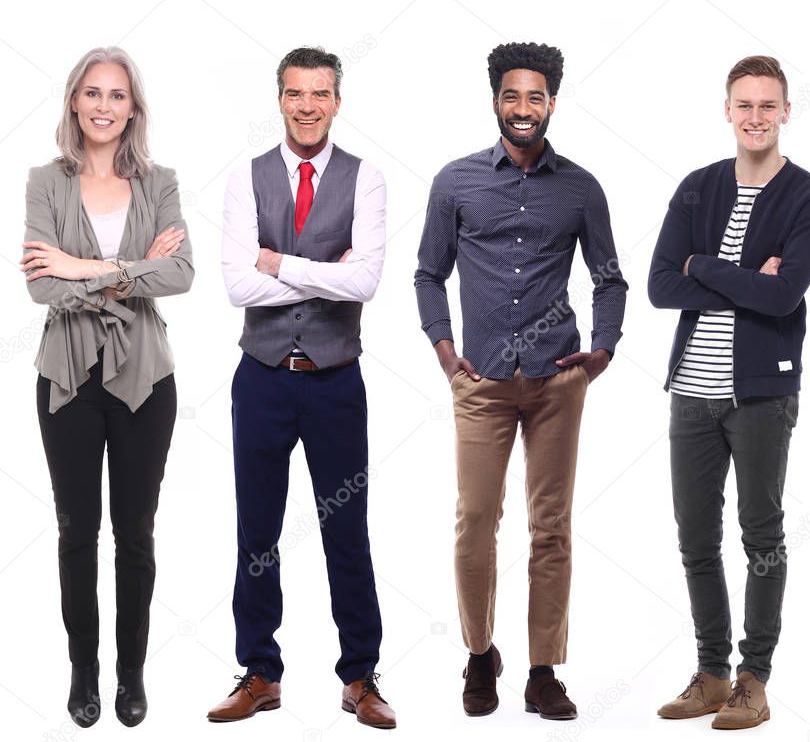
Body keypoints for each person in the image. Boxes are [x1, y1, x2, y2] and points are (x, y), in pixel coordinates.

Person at [414, 41, 627, 721]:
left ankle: (542, 669)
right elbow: (427, 272)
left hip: (554, 381)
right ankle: (480, 654)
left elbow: (609, 277)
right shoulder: (455, 182)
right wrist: (446, 352)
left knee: (551, 525)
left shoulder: (581, 188)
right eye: (512, 95)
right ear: (495, 101)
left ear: (552, 103)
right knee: (476, 519)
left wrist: (599, 353)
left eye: (535, 96)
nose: (523, 108)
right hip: (480, 382)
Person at [205, 46, 395, 730]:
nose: (307, 105)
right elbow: (236, 286)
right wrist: (325, 268)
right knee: (256, 529)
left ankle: (360, 676)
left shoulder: (365, 179)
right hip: (260, 380)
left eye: (319, 93)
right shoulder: (245, 179)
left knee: (346, 529)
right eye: (295, 93)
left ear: (337, 101)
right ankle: (259, 671)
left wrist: (278, 260)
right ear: (279, 100)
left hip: (335, 383)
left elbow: (366, 281)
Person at [648, 55, 810, 730]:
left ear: (786, 110)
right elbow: (661, 284)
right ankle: (710, 673)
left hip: (760, 392)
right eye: (743, 105)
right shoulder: (697, 187)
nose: (754, 117)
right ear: (726, 110)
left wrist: (704, 264)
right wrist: (733, 272)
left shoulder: (808, 196)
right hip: (690, 392)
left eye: (767, 105)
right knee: (695, 536)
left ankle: (754, 679)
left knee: (761, 534)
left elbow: (784, 294)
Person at [22, 46, 193, 728]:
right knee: (75, 531)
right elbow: (40, 285)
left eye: (116, 95)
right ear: (73, 102)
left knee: (136, 533)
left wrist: (80, 268)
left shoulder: (161, 181)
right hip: (65, 378)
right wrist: (128, 269)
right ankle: (83, 671)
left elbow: (180, 275)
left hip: (146, 377)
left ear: (133, 108)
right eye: (91, 93)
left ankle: (130, 674)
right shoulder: (45, 181)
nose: (103, 105)